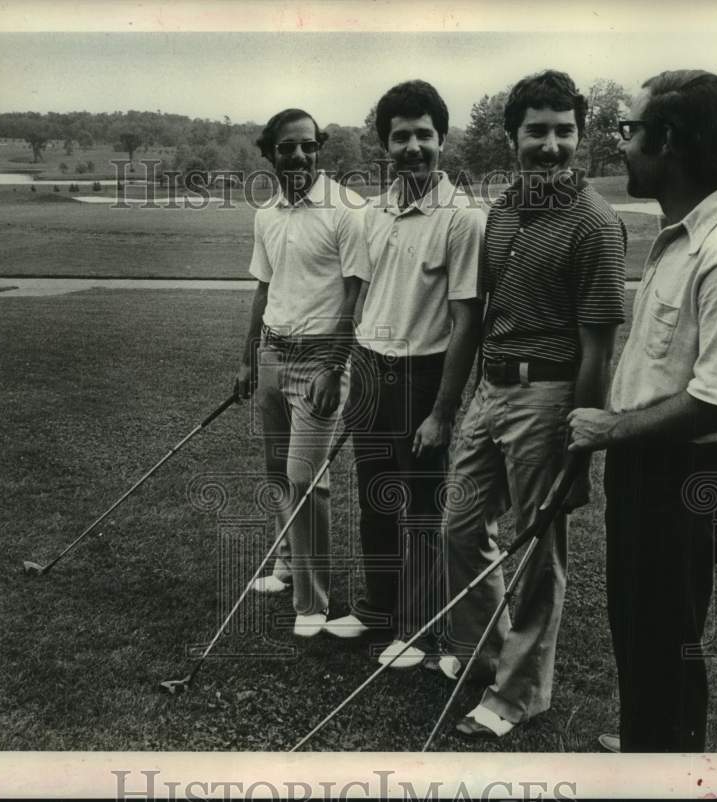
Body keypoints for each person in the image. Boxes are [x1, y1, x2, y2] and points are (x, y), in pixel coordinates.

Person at [568, 70, 717, 752]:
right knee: (640, 634)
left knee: (665, 641)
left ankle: (662, 759)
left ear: (670, 141)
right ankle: (647, 741)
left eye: (631, 130)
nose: (623, 144)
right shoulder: (685, 235)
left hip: (686, 479)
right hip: (649, 471)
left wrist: (609, 427)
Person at [440, 70, 627, 740]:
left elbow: (598, 349)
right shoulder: (502, 210)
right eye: (537, 131)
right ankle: (487, 656)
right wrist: (465, 399)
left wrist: (581, 443)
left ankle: (518, 694)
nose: (551, 145)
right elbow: (488, 312)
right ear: (512, 136)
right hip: (491, 390)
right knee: (459, 528)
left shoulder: (595, 224)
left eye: (564, 131)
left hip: (549, 396)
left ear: (580, 134)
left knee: (534, 550)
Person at [324, 80, 484, 667]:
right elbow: (361, 297)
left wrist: (444, 412)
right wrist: (349, 370)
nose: (413, 146)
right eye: (400, 137)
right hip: (371, 366)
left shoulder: (463, 219)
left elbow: (467, 321)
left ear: (442, 139)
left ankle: (417, 627)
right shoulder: (376, 212)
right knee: (374, 497)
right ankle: (378, 607)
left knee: (420, 503)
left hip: (423, 372)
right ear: (384, 145)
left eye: (424, 135)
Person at [234, 108, 371, 637]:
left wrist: (337, 368)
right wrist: (248, 357)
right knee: (277, 472)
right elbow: (263, 289)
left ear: (320, 149)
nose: (299, 156)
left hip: (320, 361)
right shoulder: (266, 214)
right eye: (287, 147)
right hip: (272, 353)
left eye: (308, 146)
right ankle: (287, 566)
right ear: (270, 153)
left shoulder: (347, 210)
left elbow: (355, 295)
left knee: (306, 479)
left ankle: (313, 604)